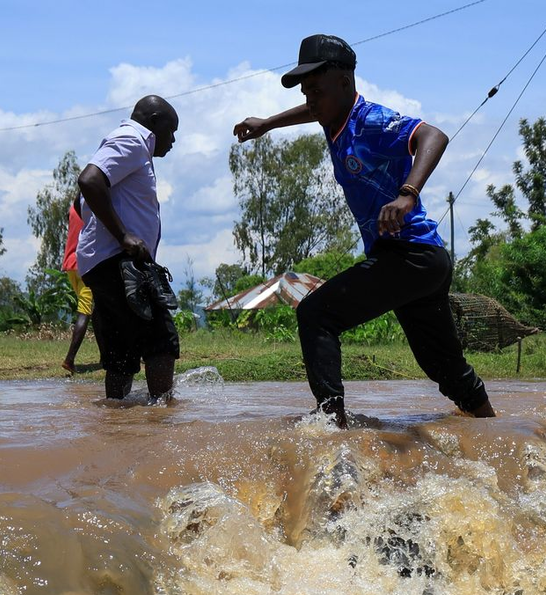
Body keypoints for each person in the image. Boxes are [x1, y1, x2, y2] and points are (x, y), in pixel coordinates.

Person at [233, 34, 495, 427]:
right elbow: (310, 112)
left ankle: (330, 425)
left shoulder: (370, 120)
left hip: (411, 255)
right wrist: (267, 124)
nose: (310, 100)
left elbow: (433, 136)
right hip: (418, 261)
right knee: (442, 365)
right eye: (306, 92)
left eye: (316, 90)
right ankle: (493, 427)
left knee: (316, 313)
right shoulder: (331, 117)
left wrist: (408, 193)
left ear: (345, 81)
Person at [77, 95, 180, 405]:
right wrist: (124, 236)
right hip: (121, 262)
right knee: (160, 340)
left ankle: (117, 418)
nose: (173, 140)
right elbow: (90, 181)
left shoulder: (127, 145)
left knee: (121, 351)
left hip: (102, 263)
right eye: (171, 130)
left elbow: (85, 195)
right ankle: (161, 419)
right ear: (154, 122)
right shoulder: (132, 140)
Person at [61, 191, 98, 374]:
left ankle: (107, 355)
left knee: (95, 309)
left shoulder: (73, 210)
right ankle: (69, 359)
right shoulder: (91, 211)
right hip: (84, 265)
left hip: (70, 266)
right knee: (85, 312)